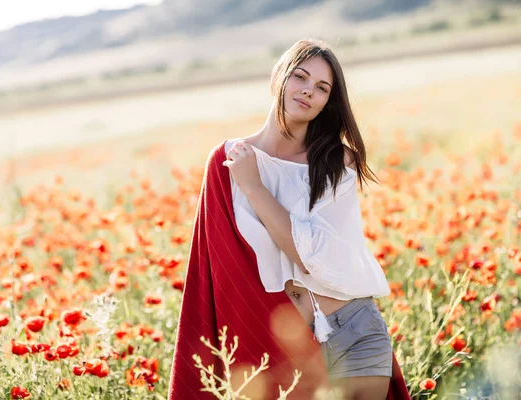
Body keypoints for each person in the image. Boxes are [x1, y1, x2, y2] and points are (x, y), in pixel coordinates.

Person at [168, 38, 410, 400]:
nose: (308, 92)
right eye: (300, 77)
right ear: (279, 76)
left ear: (329, 101)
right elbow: (217, 271)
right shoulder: (227, 161)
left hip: (355, 332)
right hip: (285, 346)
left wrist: (254, 187)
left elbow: (309, 256)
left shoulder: (336, 161)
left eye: (322, 88)